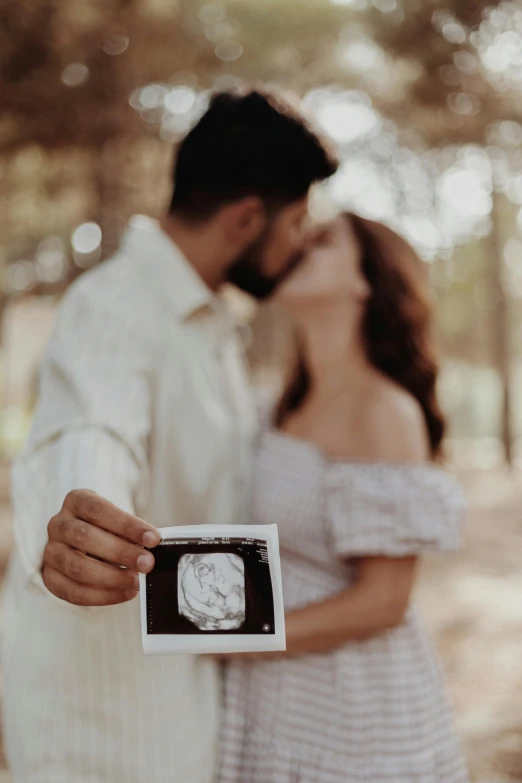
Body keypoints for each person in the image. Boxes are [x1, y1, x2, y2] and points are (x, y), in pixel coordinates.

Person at [1, 86, 337, 783]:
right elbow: (92, 432)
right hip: (105, 728)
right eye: (298, 221)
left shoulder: (213, 329)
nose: (302, 242)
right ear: (248, 218)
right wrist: (73, 520)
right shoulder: (116, 307)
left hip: (183, 704)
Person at [217, 214, 469, 782]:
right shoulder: (279, 404)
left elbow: (384, 601)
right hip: (277, 697)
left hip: (353, 716)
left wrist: (234, 638)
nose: (298, 243)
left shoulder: (384, 411)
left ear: (366, 282)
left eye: (324, 239)